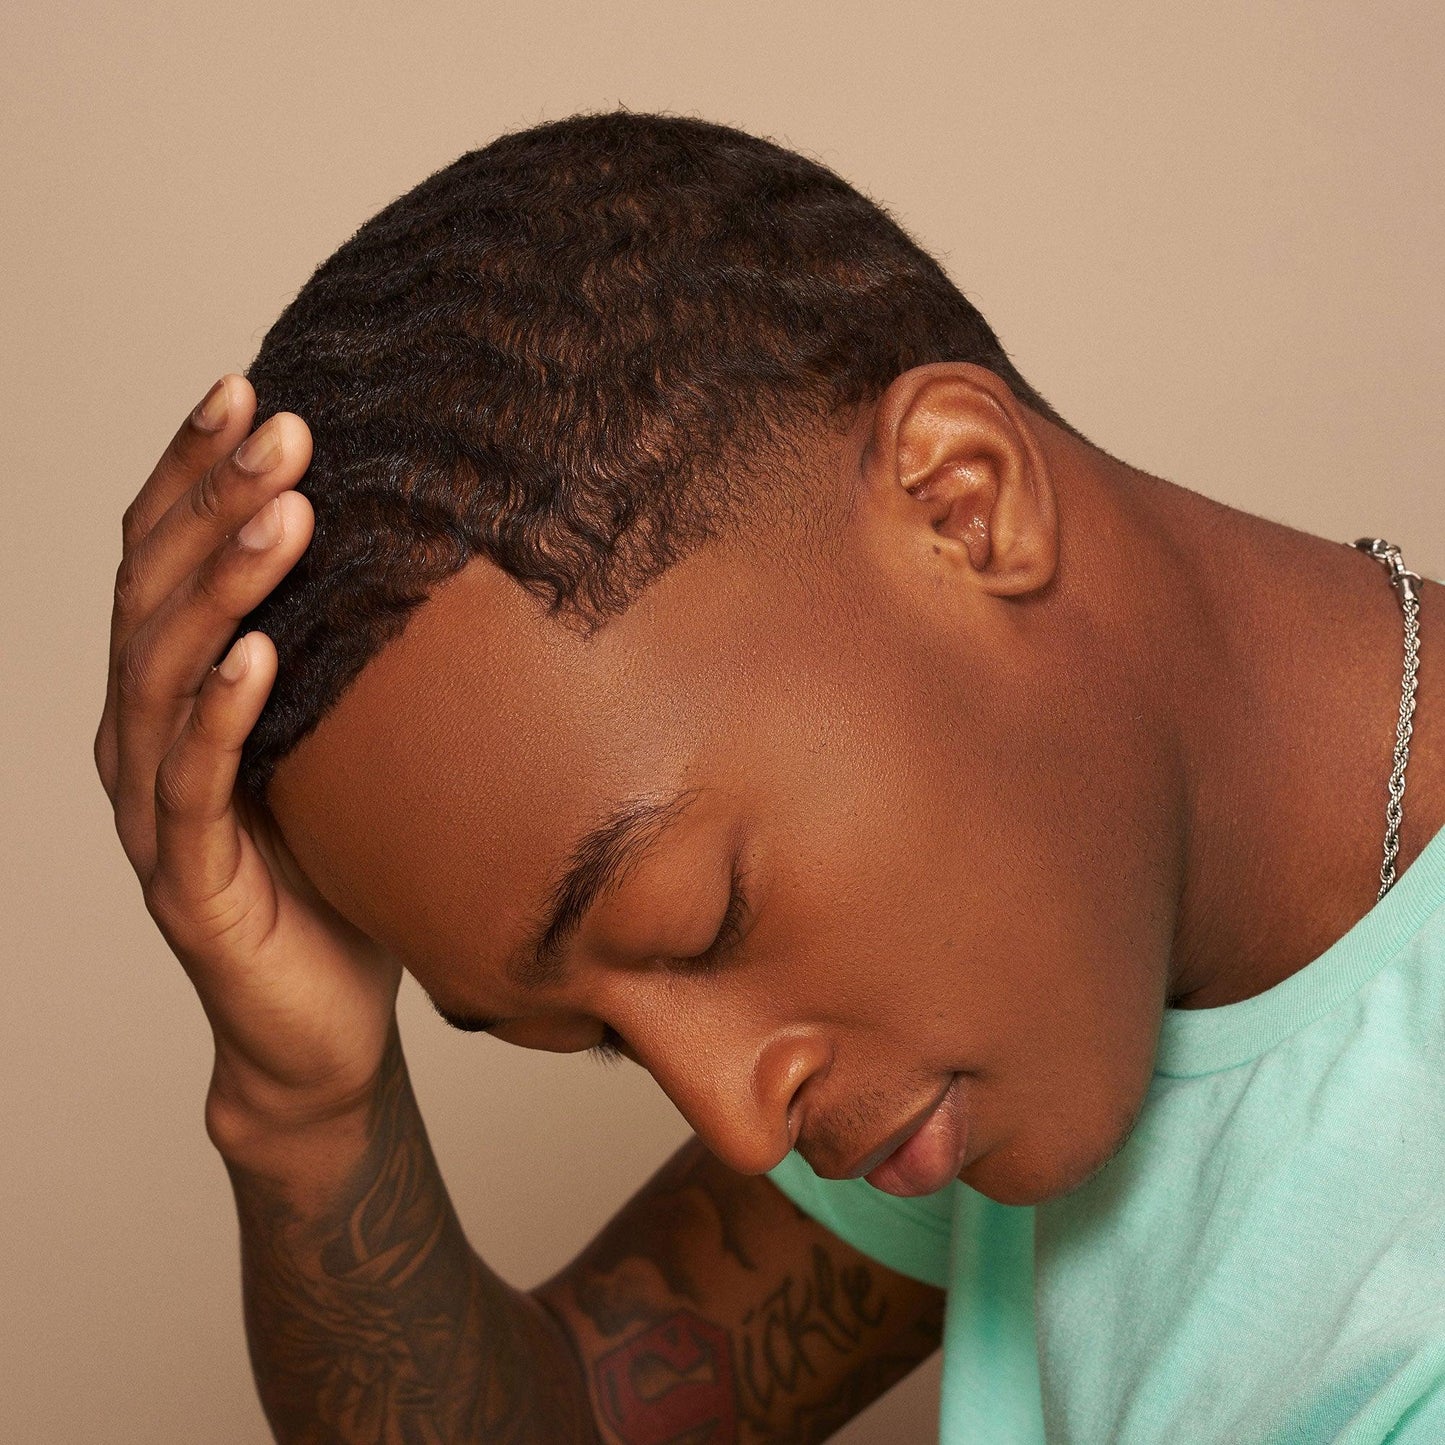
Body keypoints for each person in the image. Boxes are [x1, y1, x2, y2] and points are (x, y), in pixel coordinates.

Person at [94, 110, 1445, 1444]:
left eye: (702, 921)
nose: (740, 1124)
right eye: (607, 1041)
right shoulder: (1051, 981)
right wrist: (307, 1111)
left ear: (963, 502)